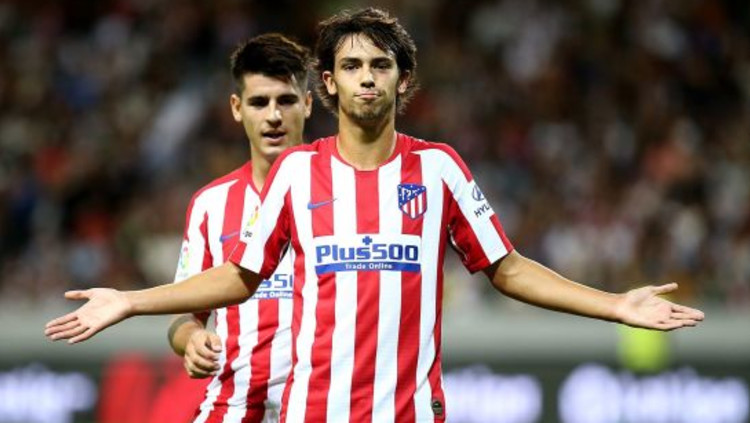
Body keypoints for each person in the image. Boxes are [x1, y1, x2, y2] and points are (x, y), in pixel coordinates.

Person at [45, 8, 705, 423]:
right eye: (352, 65)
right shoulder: (298, 172)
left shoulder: (439, 168)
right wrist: (131, 302)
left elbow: (507, 268)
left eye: (381, 65)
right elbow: (240, 276)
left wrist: (615, 305)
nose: (367, 76)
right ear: (329, 84)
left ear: (402, 80)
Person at [167, 33, 312, 423]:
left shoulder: (345, 194)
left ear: (308, 104)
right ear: (237, 107)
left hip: (321, 410)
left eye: (286, 101)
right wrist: (192, 340)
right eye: (259, 102)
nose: (273, 116)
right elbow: (184, 317)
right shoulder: (211, 205)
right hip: (233, 407)